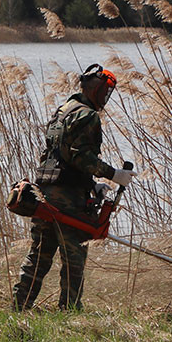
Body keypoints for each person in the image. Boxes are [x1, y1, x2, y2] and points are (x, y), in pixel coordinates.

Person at [12, 64, 137, 311]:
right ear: (96, 89)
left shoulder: (63, 111)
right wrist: (115, 175)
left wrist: (93, 186)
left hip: (44, 193)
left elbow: (60, 156)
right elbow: (81, 158)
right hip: (68, 199)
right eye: (106, 91)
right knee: (74, 259)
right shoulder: (88, 115)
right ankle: (69, 312)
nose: (106, 98)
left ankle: (19, 307)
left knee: (39, 256)